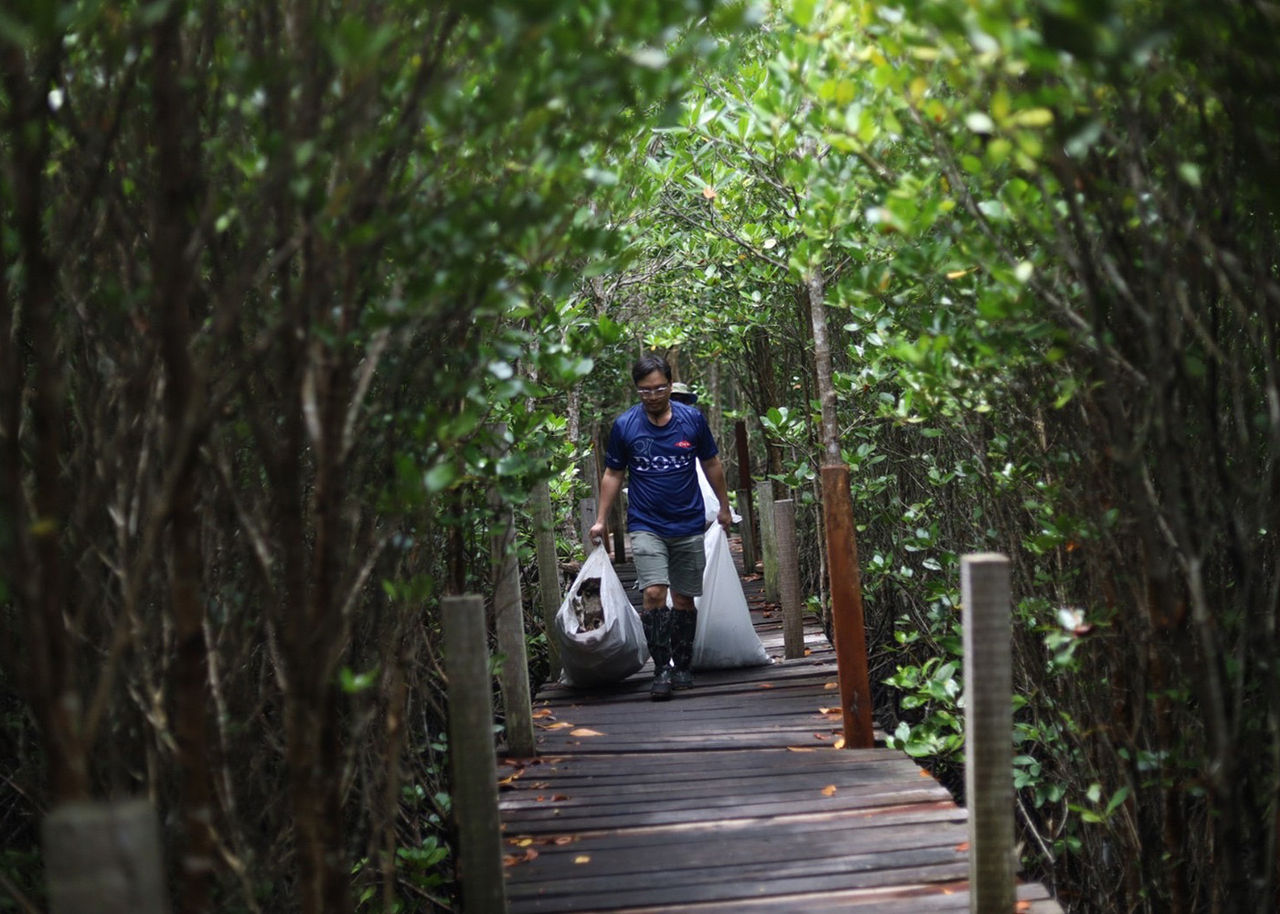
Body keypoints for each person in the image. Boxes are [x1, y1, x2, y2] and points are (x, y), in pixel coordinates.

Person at [590, 356, 732, 700]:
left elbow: (711, 462)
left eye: (659, 388)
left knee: (684, 599)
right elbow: (613, 473)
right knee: (654, 593)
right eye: (645, 390)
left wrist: (724, 507)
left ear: (670, 384)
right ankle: (661, 669)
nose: (652, 395)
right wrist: (601, 519)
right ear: (636, 390)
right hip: (645, 522)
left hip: (687, 522)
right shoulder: (626, 426)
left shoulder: (692, 420)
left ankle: (682, 665)